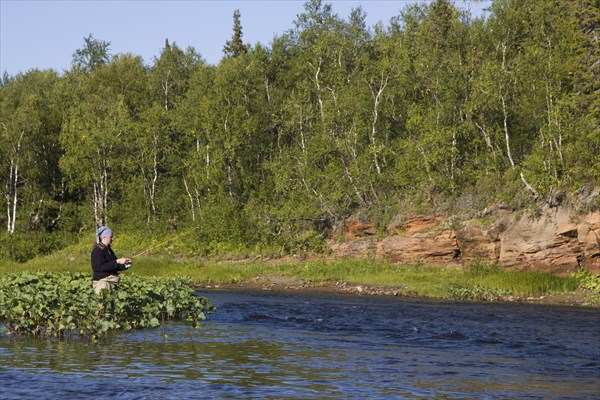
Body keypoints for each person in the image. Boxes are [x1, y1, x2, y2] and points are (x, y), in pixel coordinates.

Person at [91, 226, 132, 294]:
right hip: (102, 283)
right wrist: (117, 261)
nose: (112, 238)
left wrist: (126, 265)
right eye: (111, 236)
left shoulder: (109, 250)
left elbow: (115, 265)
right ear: (104, 237)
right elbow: (98, 267)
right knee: (103, 304)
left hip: (111, 282)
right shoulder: (97, 250)